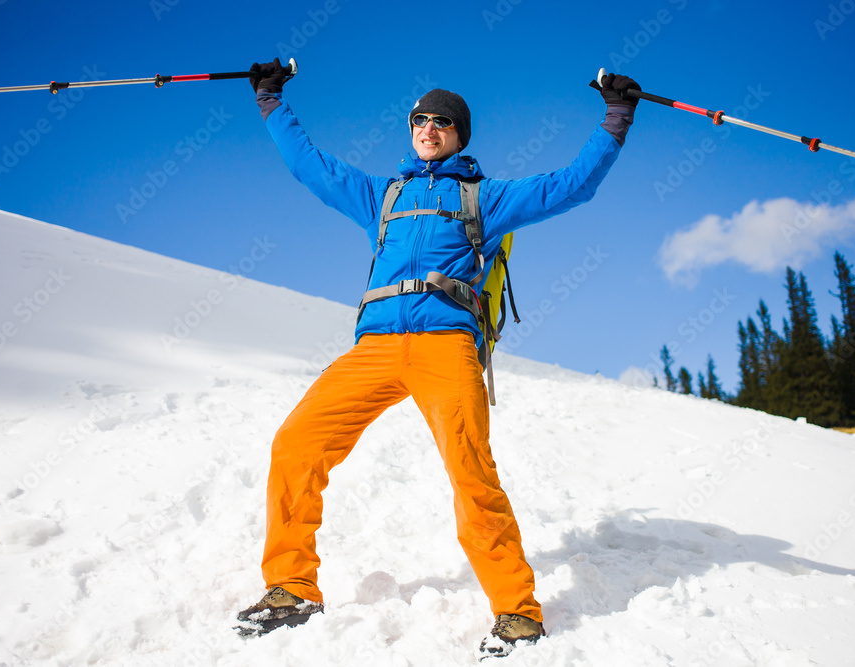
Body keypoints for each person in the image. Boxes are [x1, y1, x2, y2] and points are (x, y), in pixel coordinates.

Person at [236, 58, 640, 656]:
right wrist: (271, 100)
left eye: (443, 121)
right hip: (374, 348)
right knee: (295, 444)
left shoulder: (485, 198)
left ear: (459, 135)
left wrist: (616, 116)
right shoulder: (382, 195)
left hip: (445, 346)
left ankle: (516, 611)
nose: (429, 127)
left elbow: (570, 185)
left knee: (471, 471)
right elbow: (309, 166)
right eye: (420, 118)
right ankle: (291, 589)